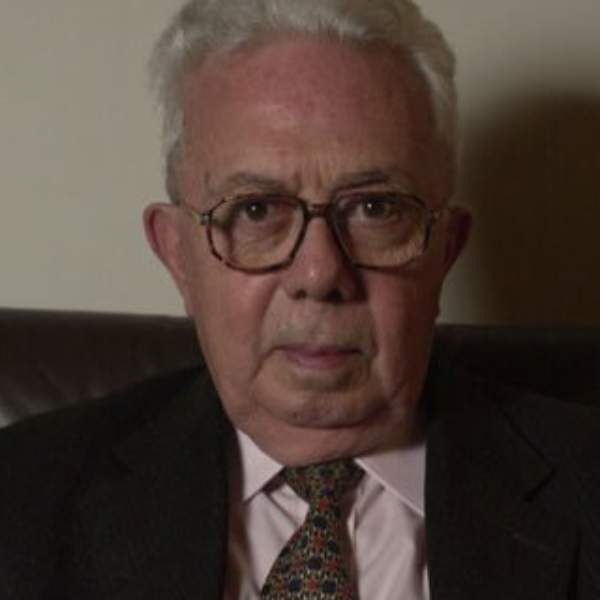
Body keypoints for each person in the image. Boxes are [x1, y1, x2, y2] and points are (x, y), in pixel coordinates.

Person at [0, 0, 599, 598]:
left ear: (445, 248)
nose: (319, 273)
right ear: (178, 255)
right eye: (255, 210)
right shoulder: (20, 498)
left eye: (375, 208)